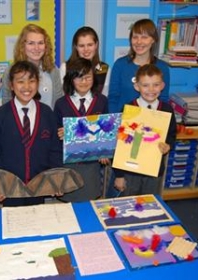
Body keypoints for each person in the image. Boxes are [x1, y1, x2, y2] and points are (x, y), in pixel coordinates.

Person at [0, 61, 62, 206]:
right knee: (15, 224)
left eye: (32, 81)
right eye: (20, 81)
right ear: (11, 85)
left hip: (39, 187)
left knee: (37, 224)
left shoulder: (47, 113)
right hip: (11, 188)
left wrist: (56, 178)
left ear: (38, 83)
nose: (26, 87)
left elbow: (54, 150)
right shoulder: (0, 116)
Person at [113, 64, 176, 197]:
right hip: (130, 171)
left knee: (151, 205)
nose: (151, 89)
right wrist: (119, 175)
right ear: (137, 86)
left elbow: (171, 134)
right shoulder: (128, 109)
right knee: (128, 205)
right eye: (145, 85)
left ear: (162, 86)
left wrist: (168, 145)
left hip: (154, 170)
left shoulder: (166, 110)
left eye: (156, 84)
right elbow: (119, 145)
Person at [54, 57, 109, 202]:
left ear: (94, 77)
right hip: (68, 165)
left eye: (88, 77)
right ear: (71, 79)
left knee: (89, 205)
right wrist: (62, 134)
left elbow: (107, 130)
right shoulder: (61, 104)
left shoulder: (102, 101)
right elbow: (55, 138)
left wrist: (104, 150)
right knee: (69, 208)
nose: (84, 81)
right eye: (79, 77)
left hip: (92, 166)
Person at [108, 18, 170, 113]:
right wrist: (116, 123)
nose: (139, 42)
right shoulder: (120, 65)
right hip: (124, 122)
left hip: (152, 123)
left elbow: (163, 100)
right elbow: (113, 98)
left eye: (144, 37)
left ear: (153, 39)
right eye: (135, 37)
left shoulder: (162, 67)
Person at [1, 24, 63, 109]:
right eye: (31, 43)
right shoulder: (11, 71)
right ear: (23, 45)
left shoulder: (52, 70)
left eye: (40, 43)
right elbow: (6, 103)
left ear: (46, 46)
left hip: (47, 121)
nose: (36, 48)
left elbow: (58, 102)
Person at [60, 26, 109, 95]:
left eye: (90, 45)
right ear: (76, 47)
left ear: (96, 45)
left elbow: (105, 97)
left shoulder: (104, 68)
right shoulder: (65, 67)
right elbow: (62, 96)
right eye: (81, 46)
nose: (86, 49)